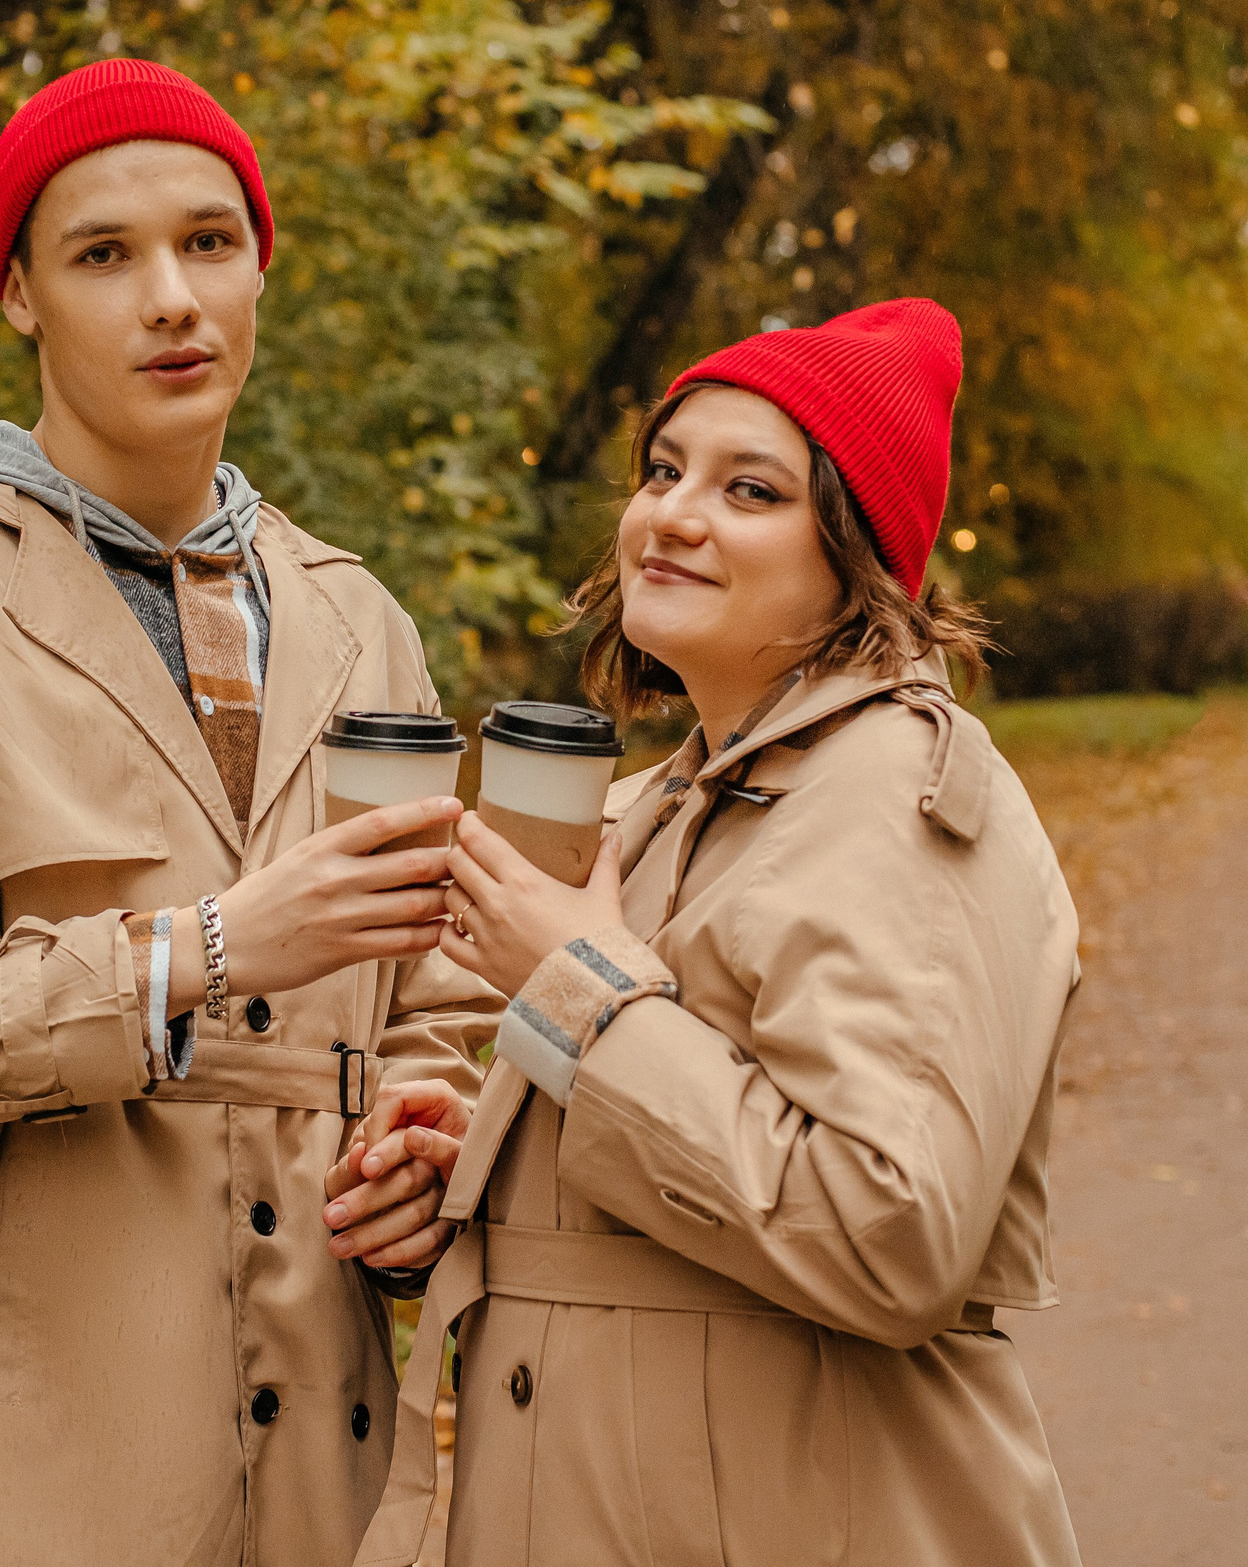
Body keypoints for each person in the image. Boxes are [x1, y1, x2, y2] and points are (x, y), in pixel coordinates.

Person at [0, 58, 498, 1567]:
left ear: (262, 267)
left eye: (211, 243)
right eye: (103, 255)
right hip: (31, 1478)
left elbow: (428, 988)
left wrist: (424, 1127)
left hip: (337, 1476)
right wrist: (196, 948)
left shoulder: (355, 617)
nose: (171, 298)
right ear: (18, 294)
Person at [351, 300, 1085, 1566]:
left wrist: (575, 994)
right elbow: (691, 1148)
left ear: (852, 552)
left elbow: (884, 1231)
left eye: (750, 489)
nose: (672, 514)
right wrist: (480, 1175)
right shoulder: (666, 804)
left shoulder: (896, 805)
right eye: (662, 470)